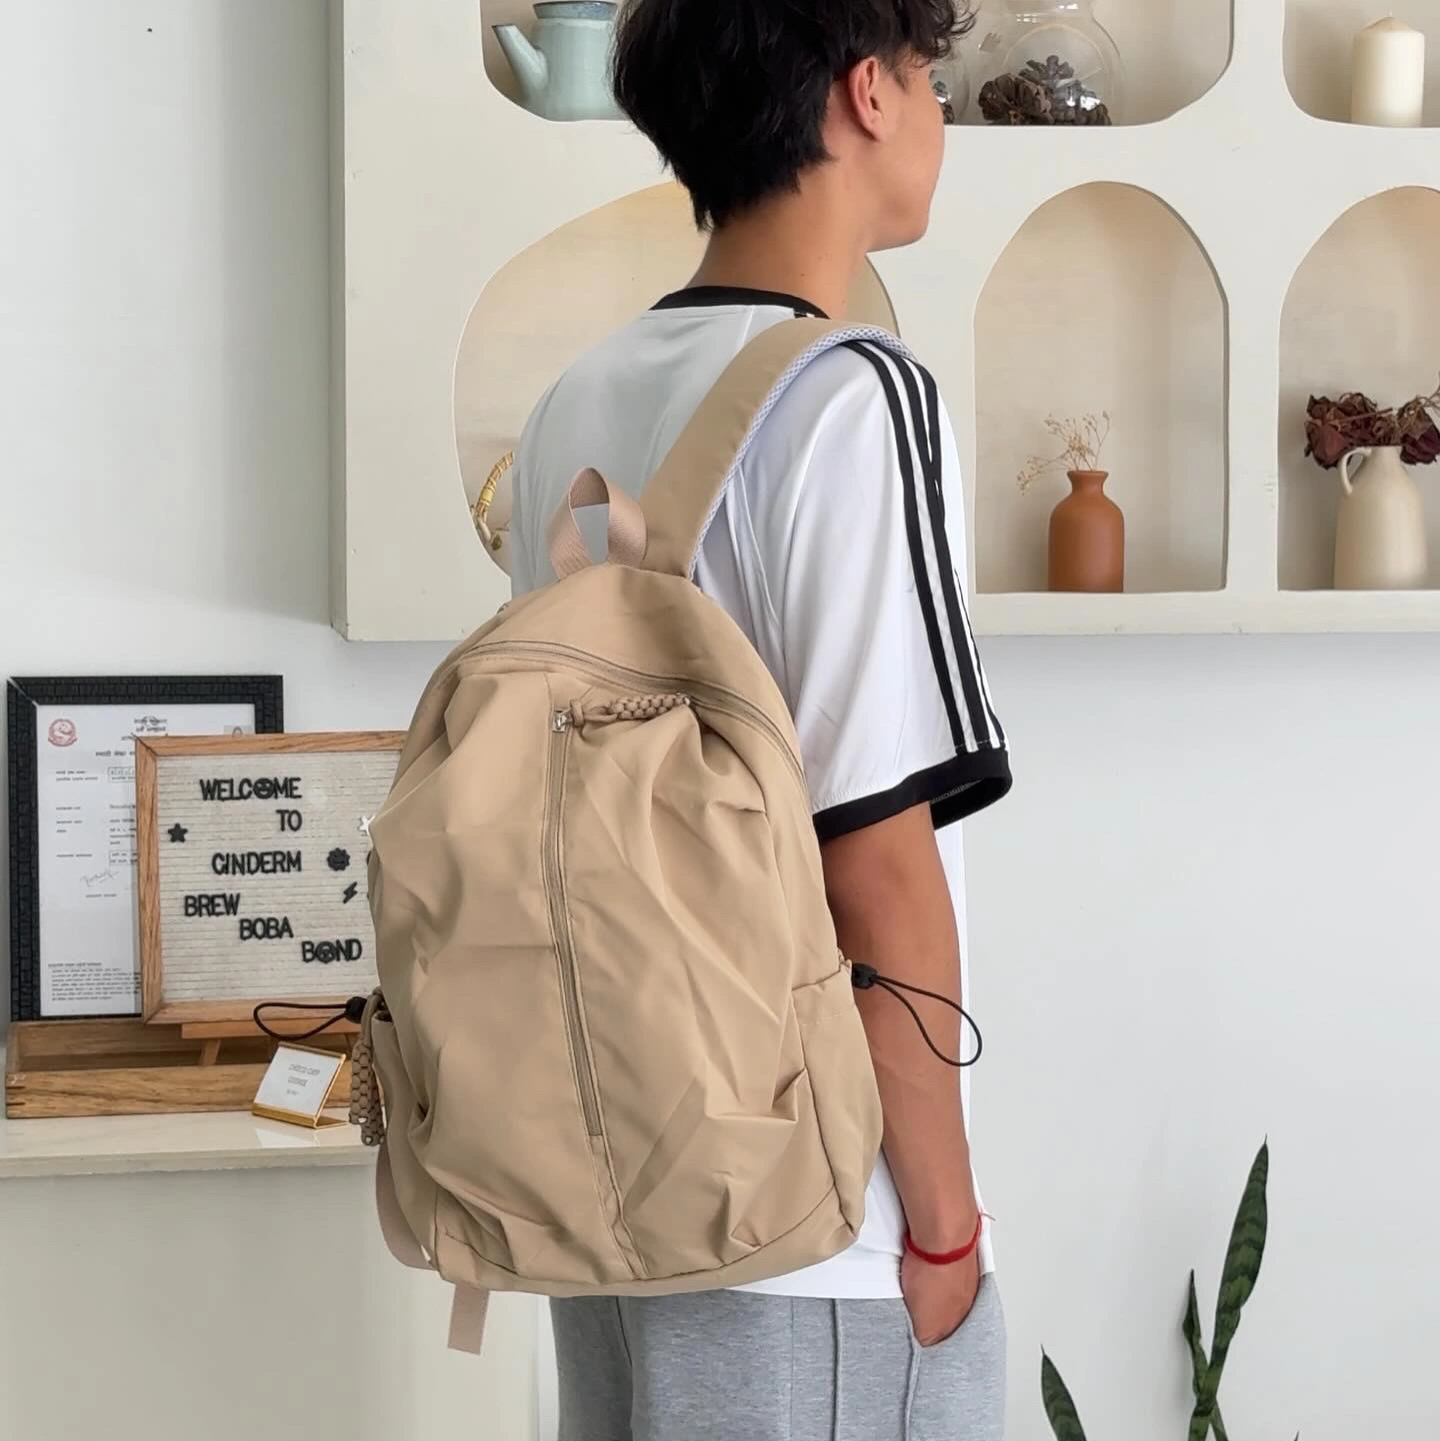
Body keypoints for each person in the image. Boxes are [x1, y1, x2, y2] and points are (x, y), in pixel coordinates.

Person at [507, 2, 1012, 1436]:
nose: (935, 117)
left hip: (608, 1183)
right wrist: (944, 1228)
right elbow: (877, 859)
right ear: (866, 93)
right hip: (812, 1223)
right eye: (929, 79)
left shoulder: (573, 403)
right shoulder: (854, 396)